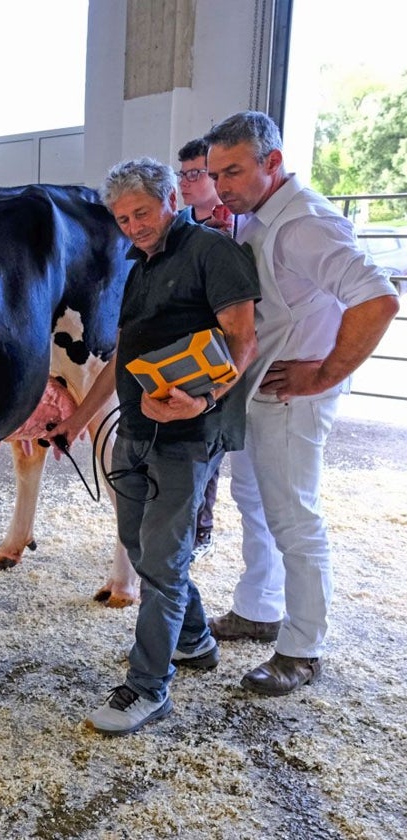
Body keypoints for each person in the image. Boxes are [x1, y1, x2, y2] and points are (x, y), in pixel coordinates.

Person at [45, 158, 259, 736]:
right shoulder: (138, 265)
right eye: (122, 217)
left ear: (170, 199)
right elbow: (122, 359)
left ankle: (148, 688)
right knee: (140, 549)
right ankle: (192, 641)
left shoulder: (213, 253)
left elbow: (243, 339)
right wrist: (78, 421)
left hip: (189, 436)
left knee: (162, 564)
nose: (133, 225)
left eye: (141, 211)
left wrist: (206, 400)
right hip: (137, 428)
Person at [203, 111, 400, 696]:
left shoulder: (305, 223)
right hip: (260, 389)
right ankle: (258, 607)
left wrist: (325, 374)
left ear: (272, 162)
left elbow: (378, 299)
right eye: (215, 174)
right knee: (254, 501)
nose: (223, 186)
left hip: (292, 397)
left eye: (233, 171)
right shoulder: (261, 217)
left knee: (294, 516)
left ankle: (302, 647)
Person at [176, 136, 233, 561]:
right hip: (176, 343)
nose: (188, 182)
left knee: (206, 441)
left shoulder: (233, 226)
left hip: (216, 345)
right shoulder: (176, 223)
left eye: (198, 174)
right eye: (184, 174)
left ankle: (201, 529)